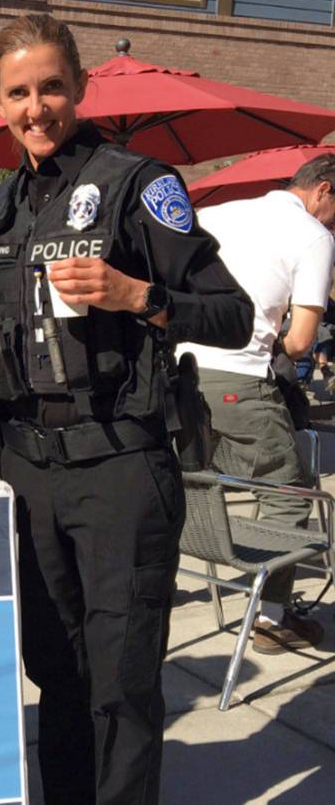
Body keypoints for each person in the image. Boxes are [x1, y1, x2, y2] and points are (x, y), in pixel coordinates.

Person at [0, 14, 252, 805]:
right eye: (19, 93)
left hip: (121, 470)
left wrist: (140, 296)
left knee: (120, 684)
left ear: (79, 87)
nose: (37, 108)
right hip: (30, 475)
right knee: (57, 676)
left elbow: (233, 315)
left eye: (51, 88)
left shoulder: (142, 185)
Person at [180, 154, 335, 654]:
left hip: (179, 374)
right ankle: (270, 618)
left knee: (193, 476)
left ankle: (194, 568)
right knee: (289, 491)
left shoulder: (217, 214)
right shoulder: (314, 236)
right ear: (324, 192)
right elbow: (301, 341)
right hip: (240, 378)